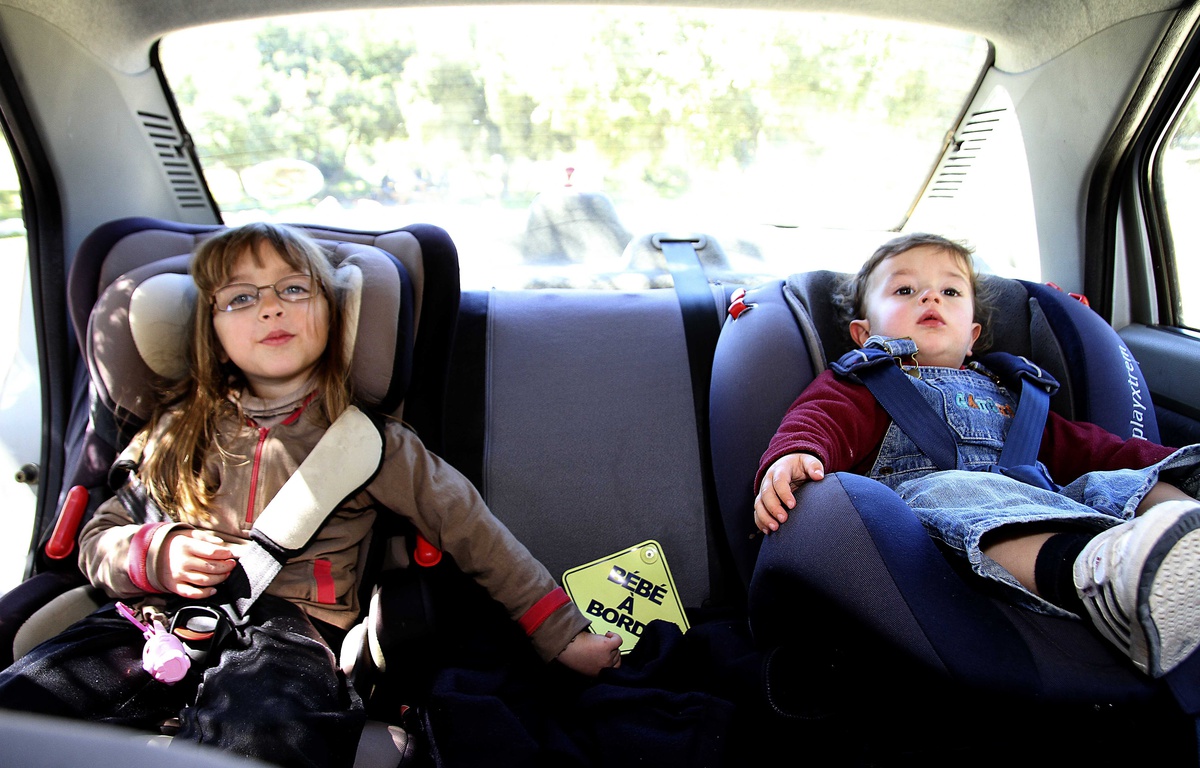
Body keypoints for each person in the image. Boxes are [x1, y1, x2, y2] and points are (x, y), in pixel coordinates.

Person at [0, 222, 622, 768]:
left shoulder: (371, 443)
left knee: (265, 733)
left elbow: (477, 533)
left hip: (295, 635)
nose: (270, 308)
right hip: (153, 619)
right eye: (241, 297)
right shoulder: (174, 431)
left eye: (294, 289)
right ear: (210, 331)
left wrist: (562, 635)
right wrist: (154, 553)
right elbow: (98, 536)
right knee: (29, 699)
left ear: (335, 313)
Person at [753, 232, 1200, 680]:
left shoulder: (1009, 393)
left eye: (950, 291)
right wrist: (796, 454)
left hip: (1048, 497)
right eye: (905, 290)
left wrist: (1171, 461)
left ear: (972, 337)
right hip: (937, 519)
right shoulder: (863, 381)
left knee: (1123, 482)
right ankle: (1098, 573)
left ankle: (1185, 536)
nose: (931, 296)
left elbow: (1094, 448)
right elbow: (820, 418)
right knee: (961, 491)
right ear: (863, 334)